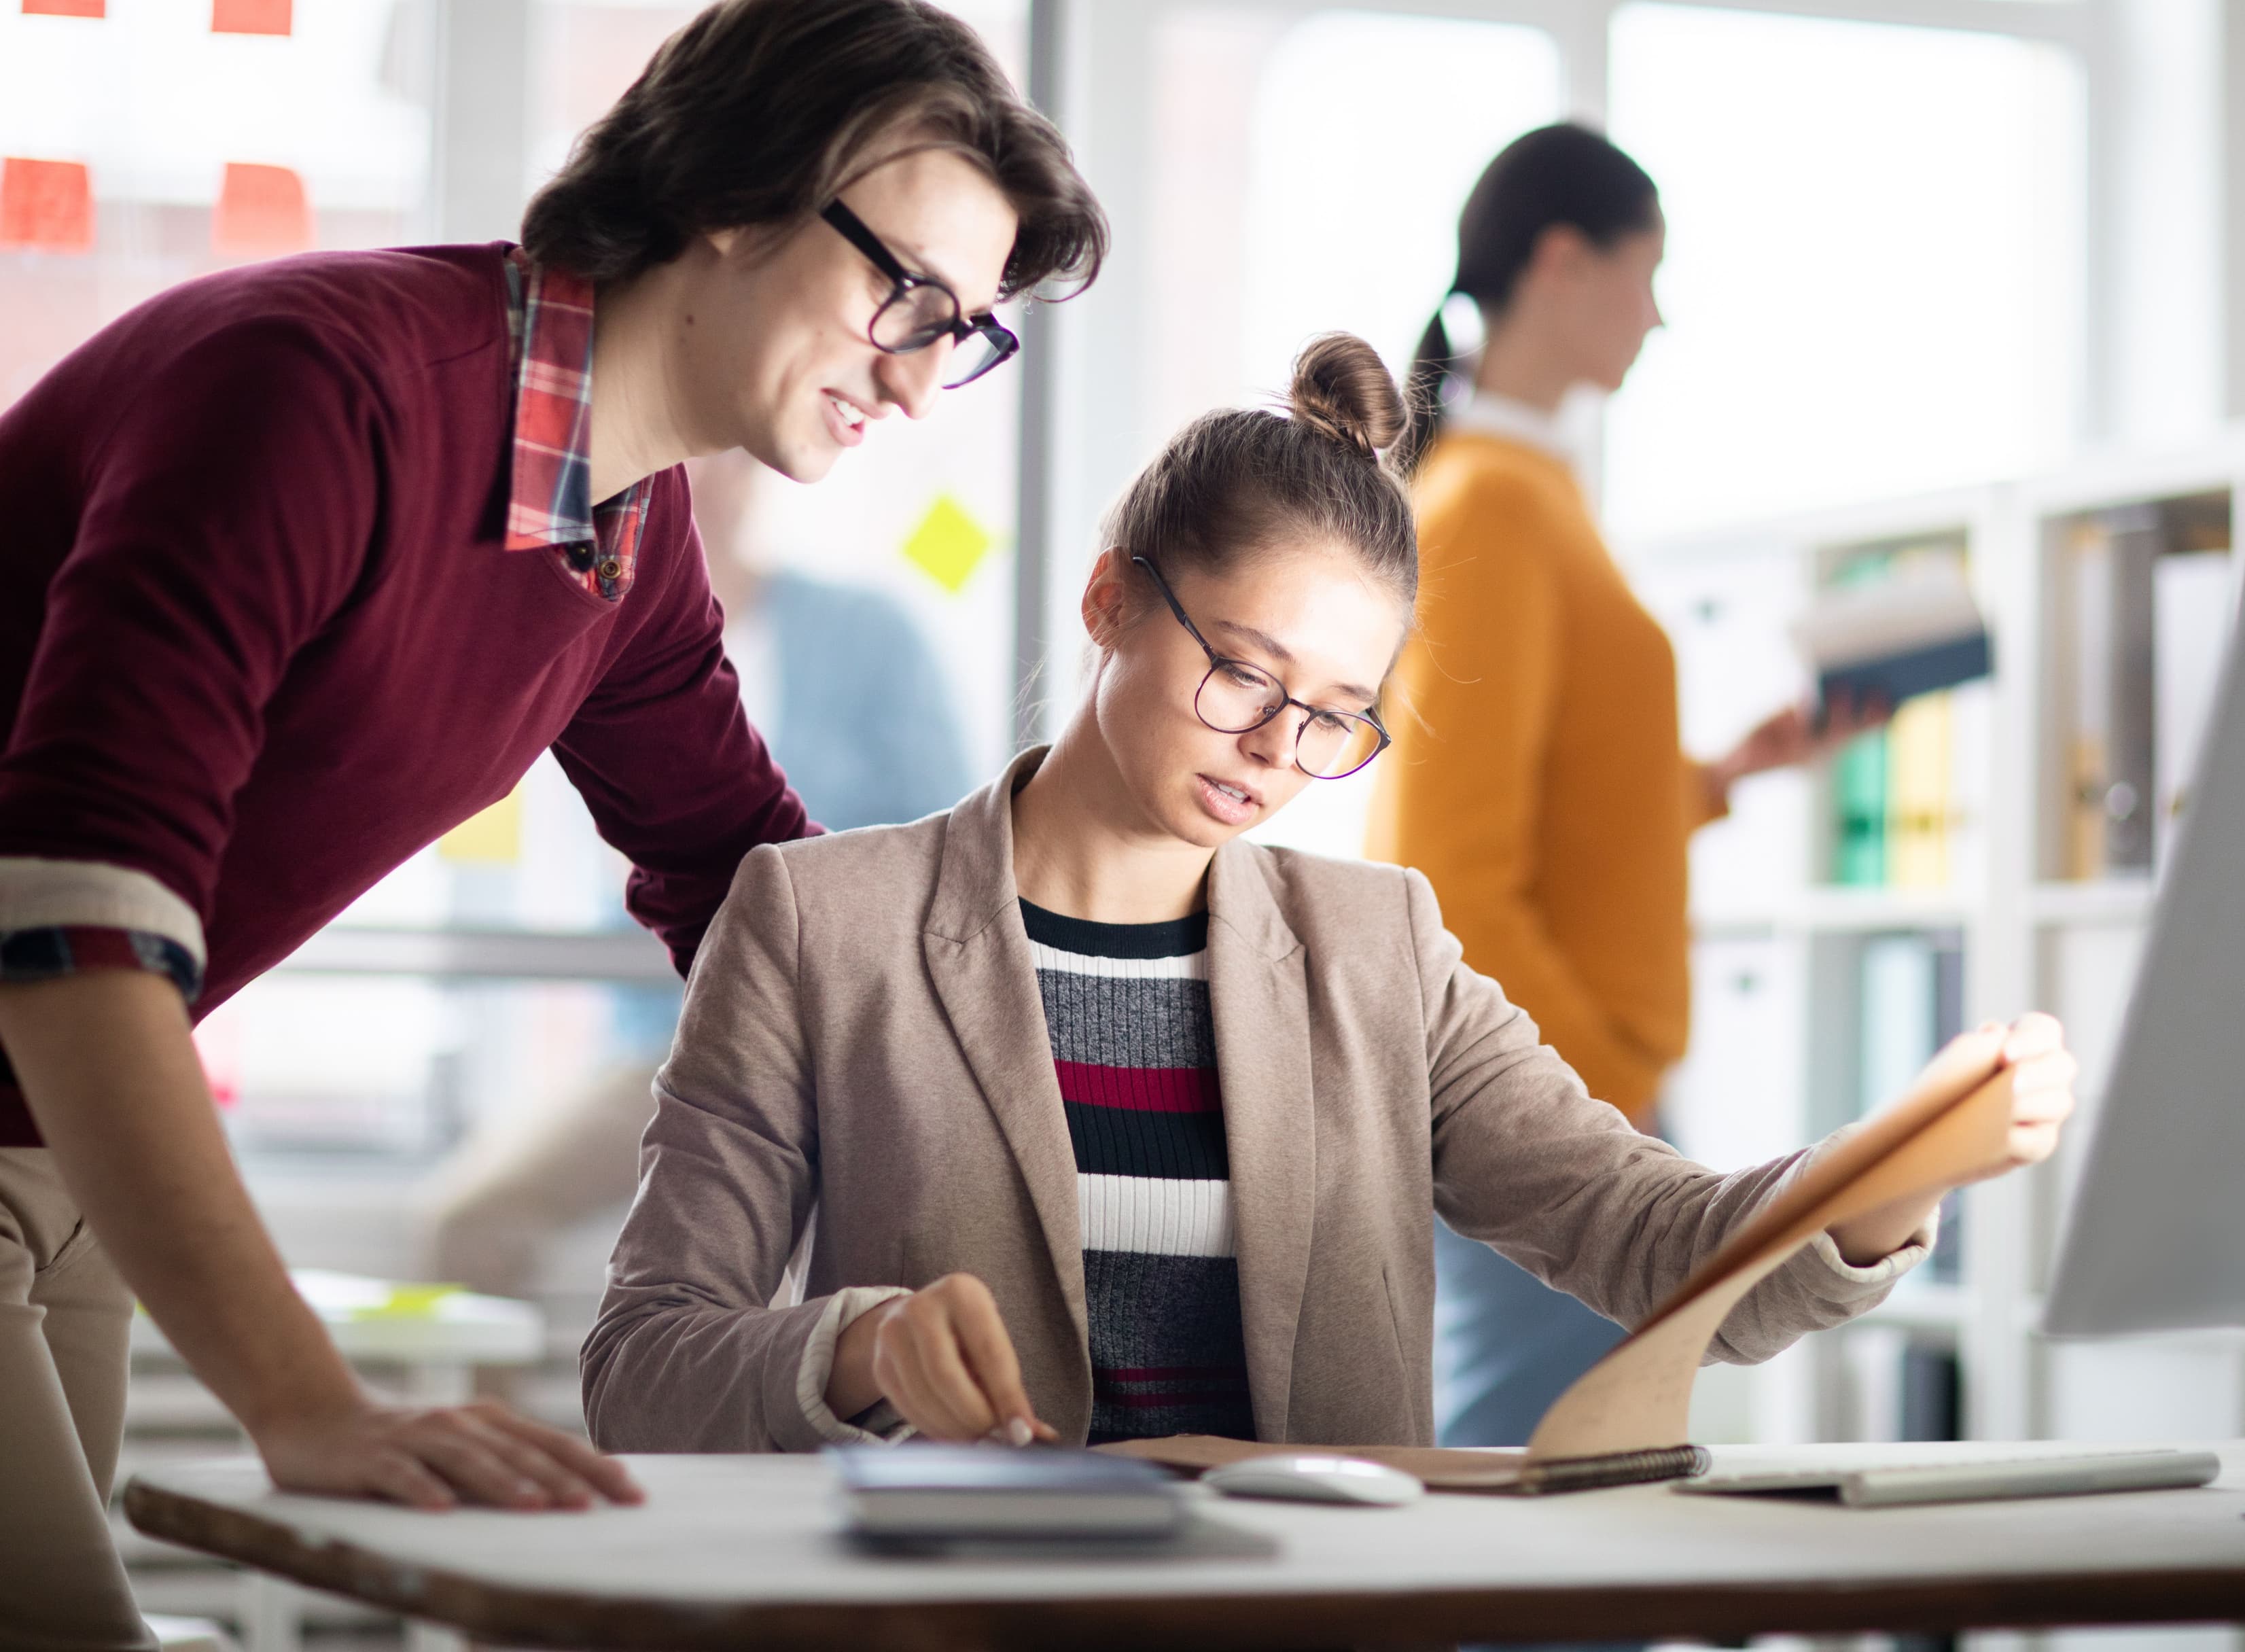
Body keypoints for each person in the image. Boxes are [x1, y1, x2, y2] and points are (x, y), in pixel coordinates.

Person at [0, 0, 1102, 1651]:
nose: (913, 377)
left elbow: (757, 907)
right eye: (909, 294)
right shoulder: (324, 391)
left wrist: (1055, 1129)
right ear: (740, 196)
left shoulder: (628, 545)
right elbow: (68, 917)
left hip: (43, 1137)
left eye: (963, 333)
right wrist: (311, 1401)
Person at [579, 335, 2075, 1456]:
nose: (1276, 750)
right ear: (1110, 600)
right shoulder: (821, 924)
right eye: (1242, 669)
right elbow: (641, 1366)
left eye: (1337, 713)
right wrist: (863, 1346)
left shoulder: (1380, 951)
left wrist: (1895, 1172)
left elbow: (1655, 1242)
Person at [1365, 124, 1877, 1448]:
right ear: (1562, 260)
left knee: (1587, 1496)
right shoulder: (1491, 503)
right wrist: (1594, 1104)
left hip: (1586, 1082)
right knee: (1557, 1512)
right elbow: (1451, 870)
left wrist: (1715, 777)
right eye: (1645, 272)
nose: (1656, 314)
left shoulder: (1532, 489)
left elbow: (1556, 809)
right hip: (1553, 1098)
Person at [421, 447, 974, 1337]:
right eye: (674, 469)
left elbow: (948, 847)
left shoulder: (868, 636)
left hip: (840, 1046)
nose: (692, 491)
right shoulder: (602, 620)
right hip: (661, 1042)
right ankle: (508, 1465)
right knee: (472, 1220)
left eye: (715, 467)